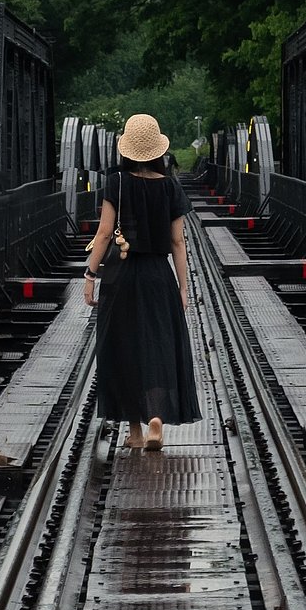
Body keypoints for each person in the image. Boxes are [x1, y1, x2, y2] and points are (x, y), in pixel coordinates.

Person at [83, 113, 201, 450]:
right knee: (159, 346)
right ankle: (156, 420)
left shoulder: (115, 183)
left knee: (123, 348)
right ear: (158, 152)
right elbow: (178, 243)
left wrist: (91, 275)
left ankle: (134, 433)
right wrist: (182, 287)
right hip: (157, 276)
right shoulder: (170, 186)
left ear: (127, 150)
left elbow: (105, 233)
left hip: (120, 276)